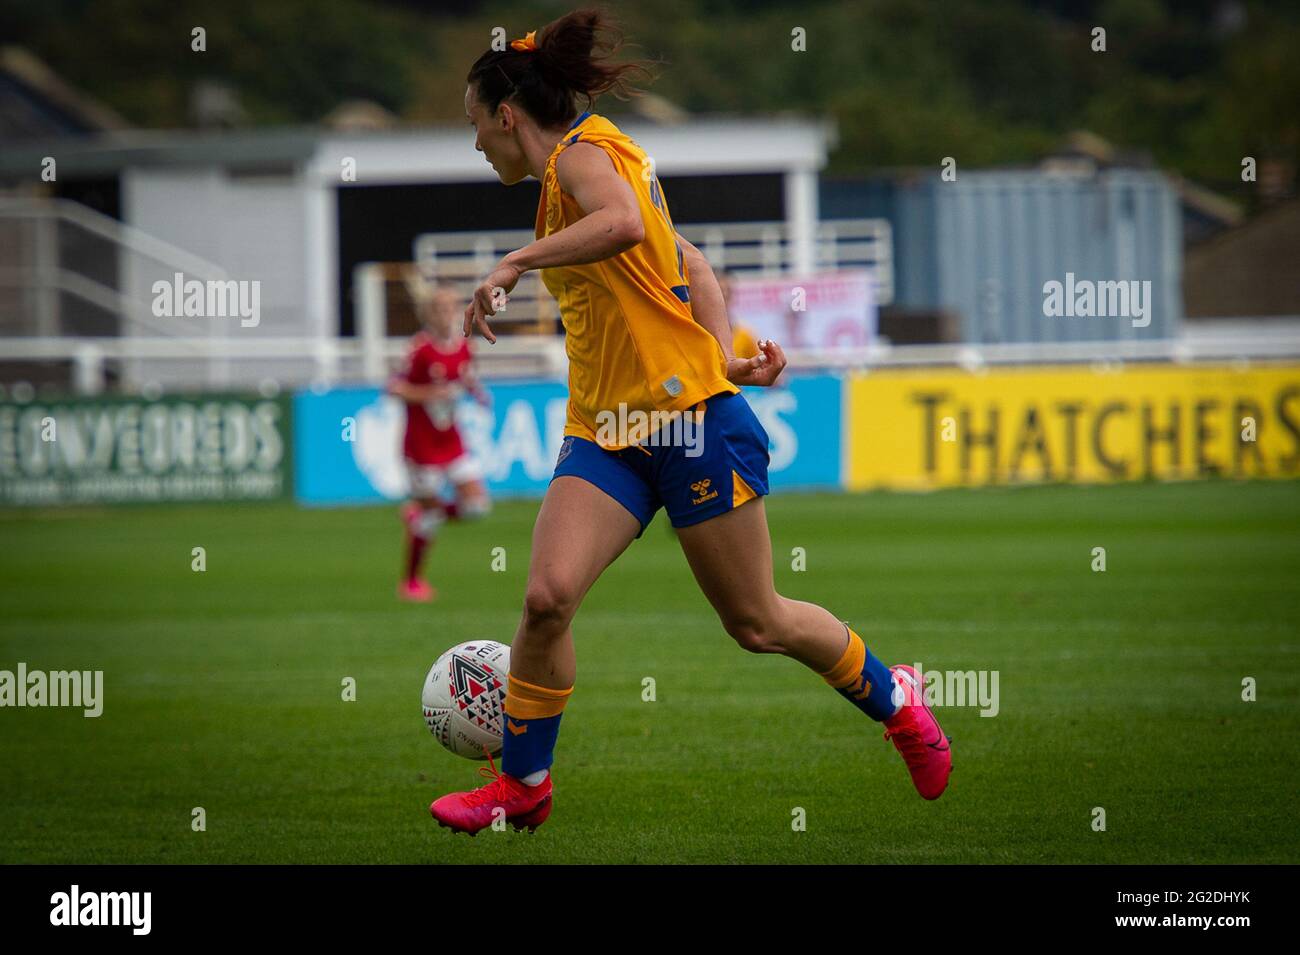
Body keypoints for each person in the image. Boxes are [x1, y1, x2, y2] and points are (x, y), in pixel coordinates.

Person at [430, 8, 950, 834]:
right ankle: (523, 787)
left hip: (692, 425)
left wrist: (515, 263)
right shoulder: (587, 165)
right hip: (607, 430)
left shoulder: (584, 158)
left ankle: (898, 698)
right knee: (546, 598)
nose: (476, 145)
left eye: (474, 127)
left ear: (505, 116)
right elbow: (687, 259)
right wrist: (721, 350)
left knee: (757, 621)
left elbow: (630, 227)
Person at [387, 274, 491, 602]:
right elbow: (394, 388)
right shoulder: (418, 349)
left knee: (476, 506)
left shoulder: (464, 346)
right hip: (421, 446)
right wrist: (432, 393)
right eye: (439, 308)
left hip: (451, 441)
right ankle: (412, 582)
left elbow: (466, 378)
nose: (446, 313)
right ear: (429, 313)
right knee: (428, 520)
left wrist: (477, 394)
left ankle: (419, 514)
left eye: (450, 306)